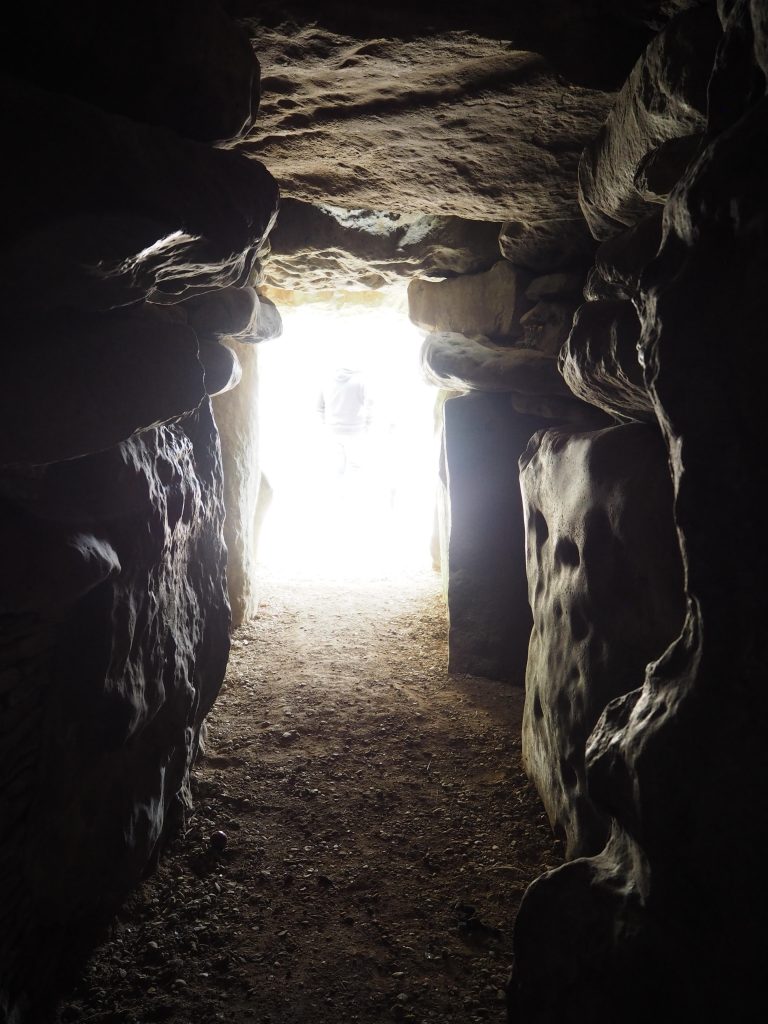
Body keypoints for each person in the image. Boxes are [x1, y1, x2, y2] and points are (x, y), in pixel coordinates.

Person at [316, 363, 372, 479]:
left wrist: (325, 425)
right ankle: (352, 494)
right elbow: (369, 406)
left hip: (333, 431)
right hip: (355, 431)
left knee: (336, 468)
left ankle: (338, 494)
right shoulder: (360, 382)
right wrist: (367, 426)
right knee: (356, 467)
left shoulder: (326, 381)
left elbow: (319, 408)